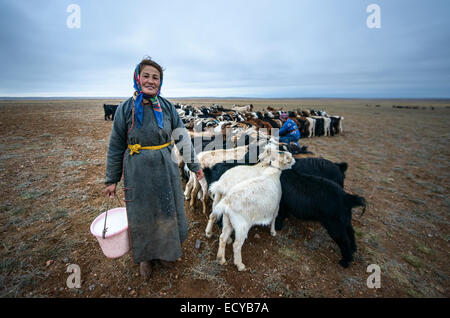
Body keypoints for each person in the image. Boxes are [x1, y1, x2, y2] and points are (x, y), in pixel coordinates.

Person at [105, 57, 203, 278]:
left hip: (165, 167)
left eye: (155, 77)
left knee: (166, 210)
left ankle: (167, 252)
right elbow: (116, 145)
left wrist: (194, 165)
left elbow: (182, 138)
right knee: (142, 214)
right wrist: (112, 179)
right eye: (146, 76)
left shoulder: (167, 107)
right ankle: (146, 257)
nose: (151, 81)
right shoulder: (124, 109)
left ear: (161, 82)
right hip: (137, 171)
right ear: (137, 78)